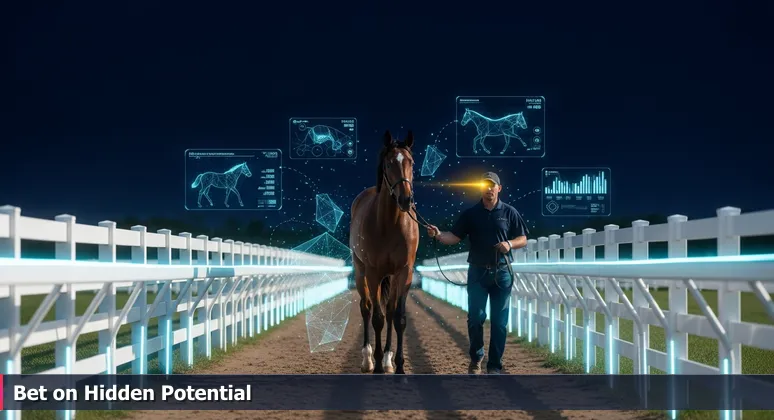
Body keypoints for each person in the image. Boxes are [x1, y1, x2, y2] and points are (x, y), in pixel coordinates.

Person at [426, 171, 529, 374]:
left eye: (493, 185)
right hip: (477, 273)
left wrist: (509, 244)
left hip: (502, 273)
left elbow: (523, 238)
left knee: (499, 323)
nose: (489, 188)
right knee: (475, 318)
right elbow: (454, 237)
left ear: (499, 188)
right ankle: (476, 356)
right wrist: (438, 235)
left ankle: (494, 366)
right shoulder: (470, 214)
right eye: (485, 185)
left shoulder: (509, 212)